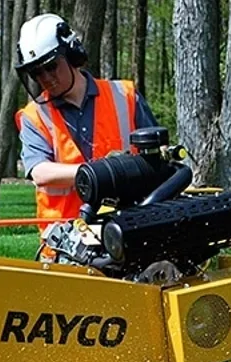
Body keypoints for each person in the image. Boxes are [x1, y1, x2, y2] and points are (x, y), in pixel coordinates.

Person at [13, 14, 160, 238]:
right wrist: (97, 173)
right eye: (37, 72)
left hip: (128, 229)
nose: (46, 77)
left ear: (72, 55)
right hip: (65, 240)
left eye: (51, 67)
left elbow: (155, 161)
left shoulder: (125, 97)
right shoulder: (34, 116)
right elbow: (40, 171)